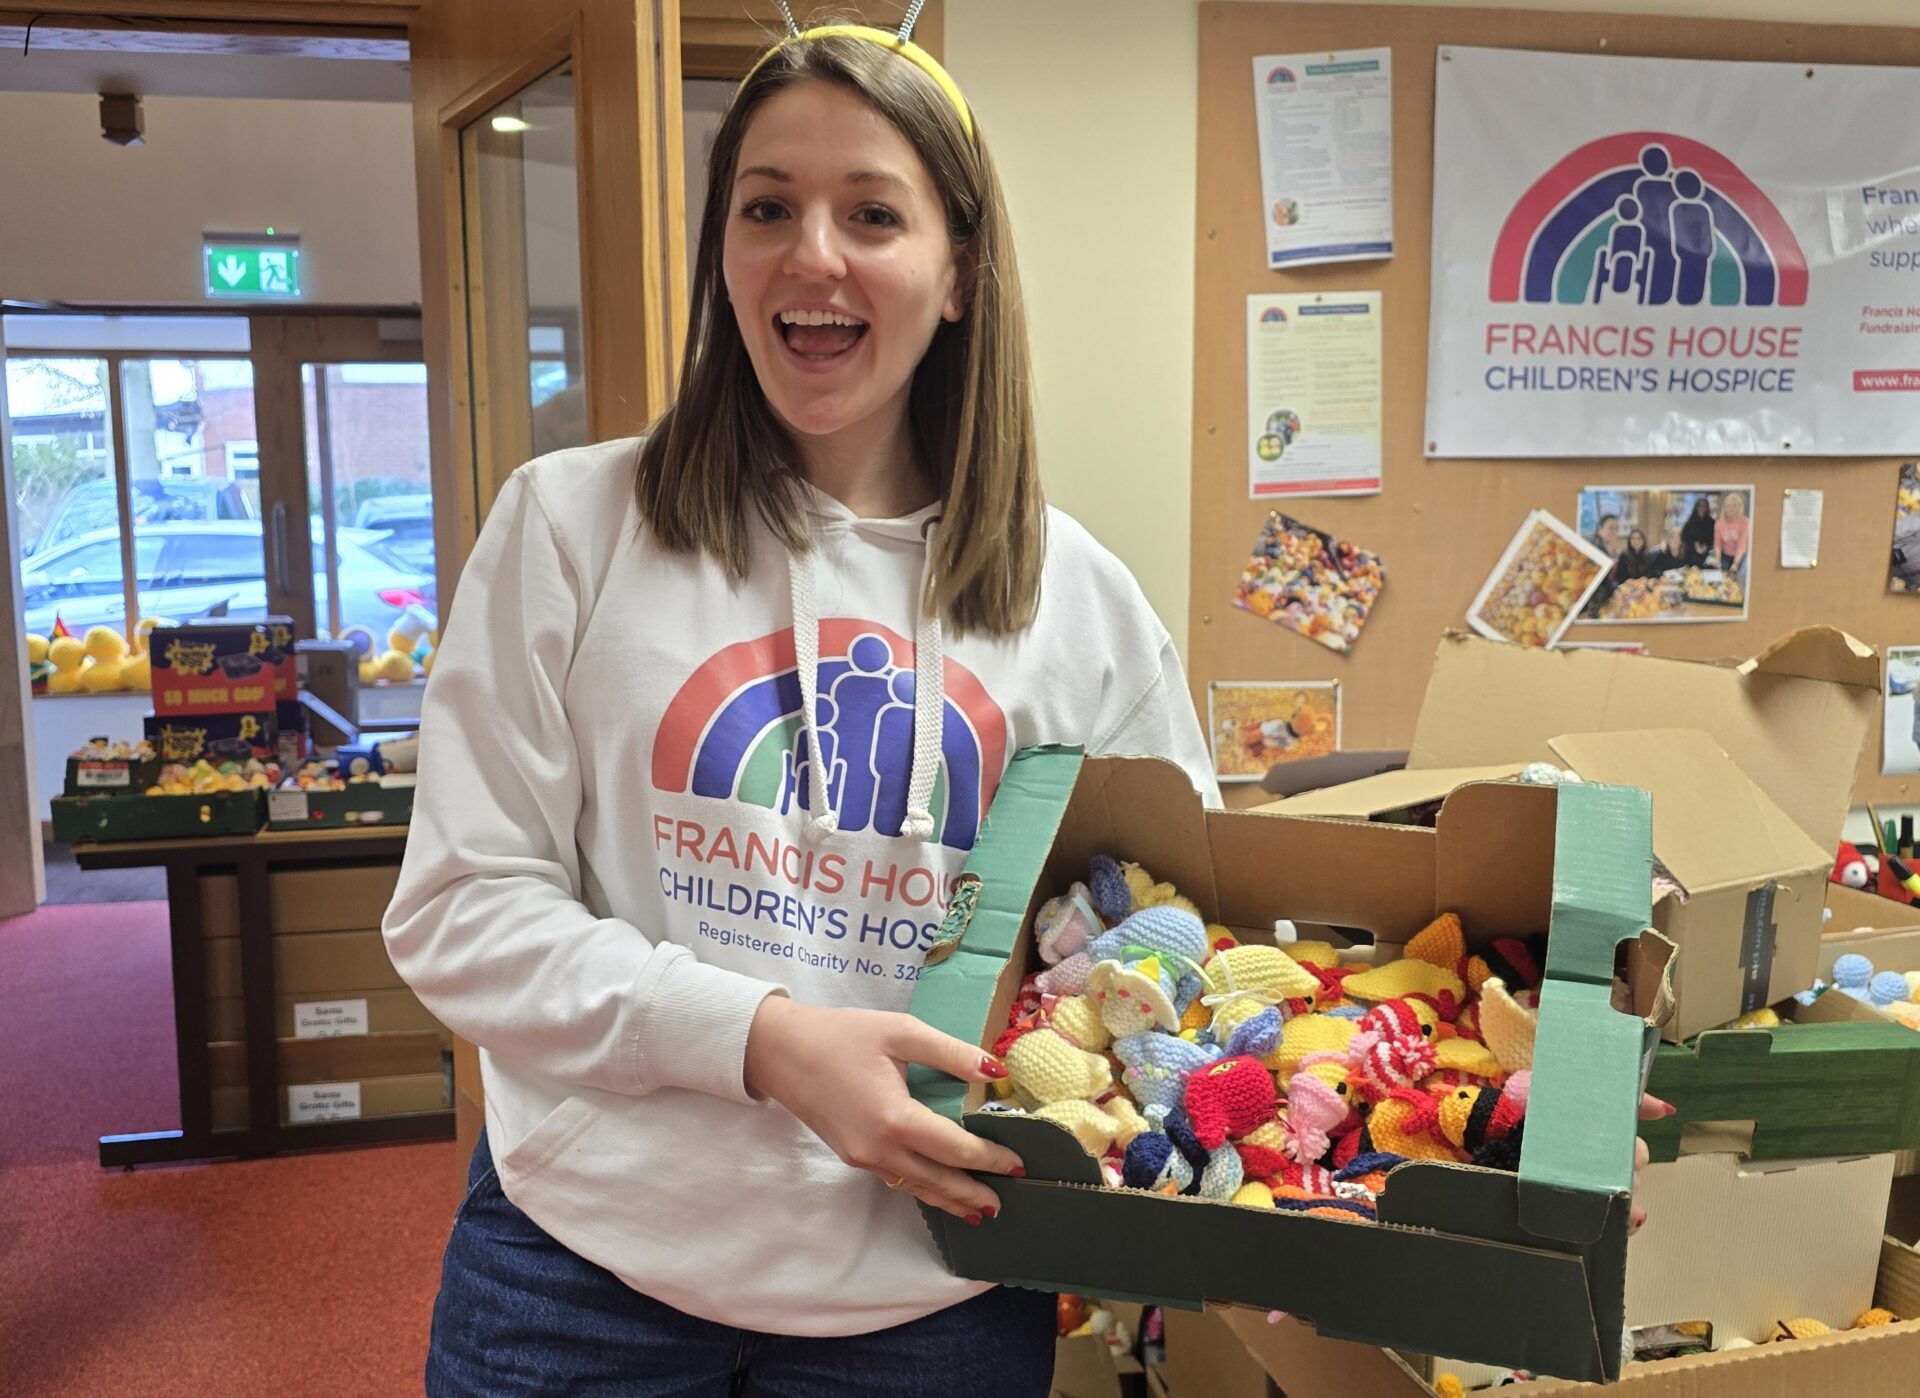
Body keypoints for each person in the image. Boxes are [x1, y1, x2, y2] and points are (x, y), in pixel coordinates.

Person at [384, 17, 1222, 1396]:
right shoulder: (572, 529)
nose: (810, 254)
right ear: (724, 253)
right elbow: (459, 911)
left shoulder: (1084, 607)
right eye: (766, 205)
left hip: (933, 1296)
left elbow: (1168, 956)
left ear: (957, 273)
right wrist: (766, 1041)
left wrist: (1499, 1122)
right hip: (579, 1277)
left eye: (871, 213)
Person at [1714, 492, 1750, 579]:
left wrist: (1735, 563)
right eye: (1729, 506)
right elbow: (1718, 544)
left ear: (1739, 508)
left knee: (1737, 579)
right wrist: (1718, 559)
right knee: (1724, 579)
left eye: (1735, 506)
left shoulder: (1744, 522)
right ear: (1725, 507)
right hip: (1725, 556)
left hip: (1741, 556)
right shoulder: (1719, 523)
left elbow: (1742, 545)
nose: (1732, 509)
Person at [1681, 496, 1716, 568]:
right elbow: (1684, 536)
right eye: (1699, 505)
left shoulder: (1712, 522)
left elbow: (1714, 539)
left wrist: (1706, 545)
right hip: (1691, 553)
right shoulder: (1690, 521)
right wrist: (1694, 544)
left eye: (1704, 506)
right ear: (1696, 507)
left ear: (1707, 508)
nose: (1701, 508)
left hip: (1706, 554)